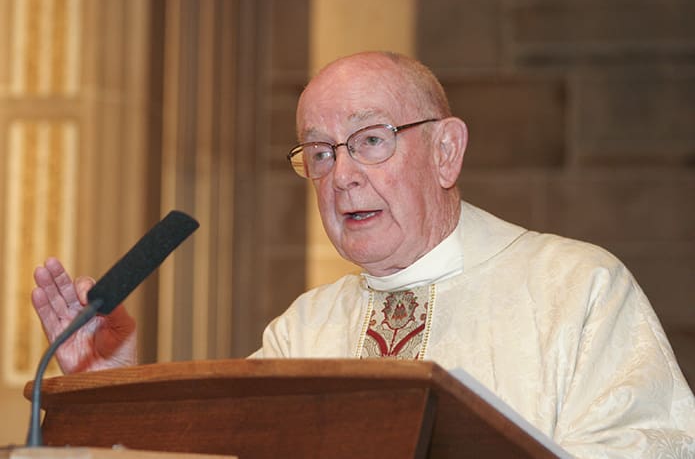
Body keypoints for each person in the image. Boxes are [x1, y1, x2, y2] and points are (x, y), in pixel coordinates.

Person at [32, 51, 694, 458]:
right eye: (319, 153)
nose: (341, 174)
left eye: (370, 140)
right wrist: (112, 384)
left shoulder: (576, 289)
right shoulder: (303, 329)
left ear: (446, 151)